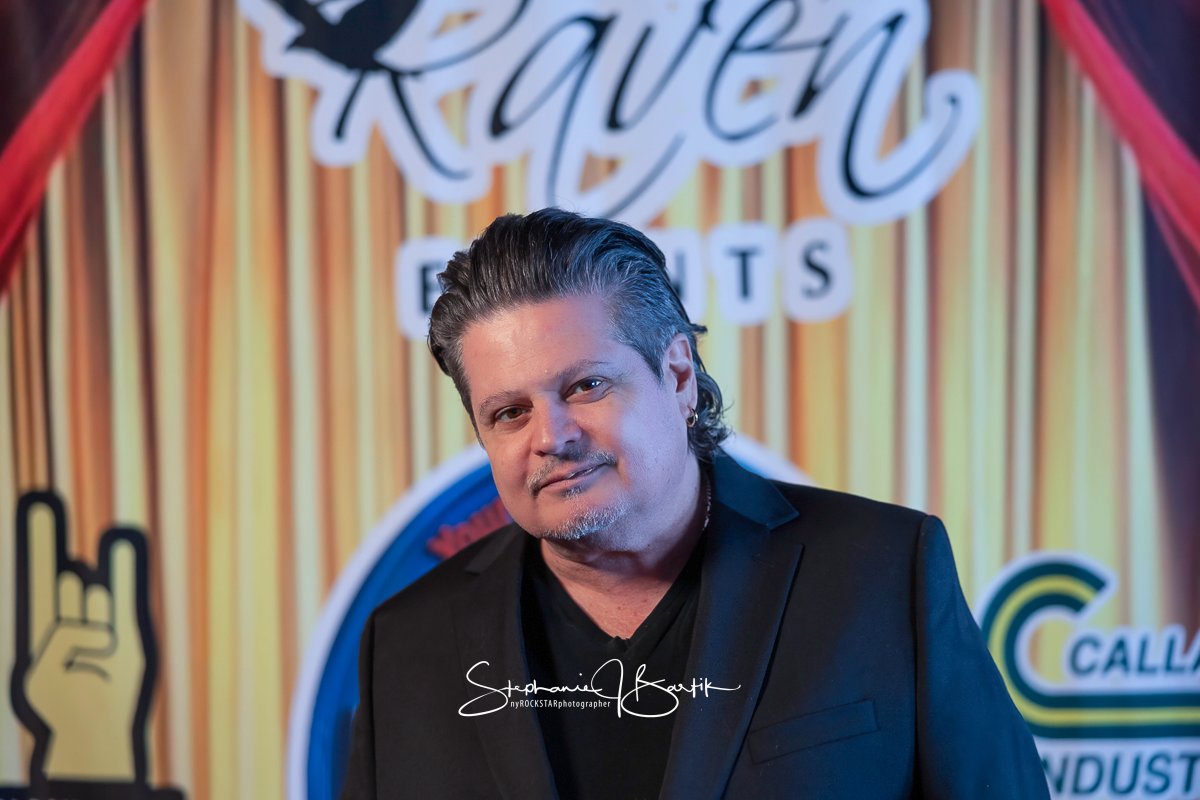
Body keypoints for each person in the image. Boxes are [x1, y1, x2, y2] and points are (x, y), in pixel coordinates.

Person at [339, 208, 1049, 799]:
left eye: (586, 386)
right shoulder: (404, 645)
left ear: (678, 376)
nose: (550, 437)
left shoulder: (882, 573)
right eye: (509, 413)